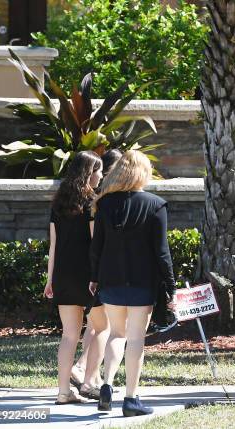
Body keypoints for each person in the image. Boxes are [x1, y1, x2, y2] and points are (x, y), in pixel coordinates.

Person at [89, 150, 176, 416]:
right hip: (142, 280)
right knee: (136, 338)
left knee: (117, 333)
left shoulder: (104, 204)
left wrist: (94, 277)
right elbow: (162, 251)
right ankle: (130, 399)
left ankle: (105, 384)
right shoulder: (155, 204)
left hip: (111, 278)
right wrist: (170, 284)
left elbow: (97, 247)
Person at [44, 151, 108, 404]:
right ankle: (91, 382)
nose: (101, 175)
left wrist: (50, 280)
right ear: (89, 173)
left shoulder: (58, 203)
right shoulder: (93, 202)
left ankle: (63, 392)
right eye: (99, 171)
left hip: (62, 275)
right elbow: (96, 244)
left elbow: (54, 246)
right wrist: (99, 275)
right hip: (88, 276)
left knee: (69, 335)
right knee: (104, 328)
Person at [71, 149, 123, 396]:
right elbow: (96, 241)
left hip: (86, 267)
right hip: (97, 271)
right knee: (103, 326)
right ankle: (87, 373)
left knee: (95, 325)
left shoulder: (84, 198)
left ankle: (87, 371)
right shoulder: (100, 201)